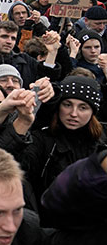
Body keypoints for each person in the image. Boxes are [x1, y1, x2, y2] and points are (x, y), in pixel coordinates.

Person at [18, 76, 107, 211]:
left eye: (83, 107)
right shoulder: (42, 140)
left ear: (93, 112)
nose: (73, 113)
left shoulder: (102, 144)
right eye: (67, 105)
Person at [0, 21, 60, 88]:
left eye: (13, 38)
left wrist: (52, 52)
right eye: (4, 37)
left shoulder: (25, 60)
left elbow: (45, 79)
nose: (9, 41)